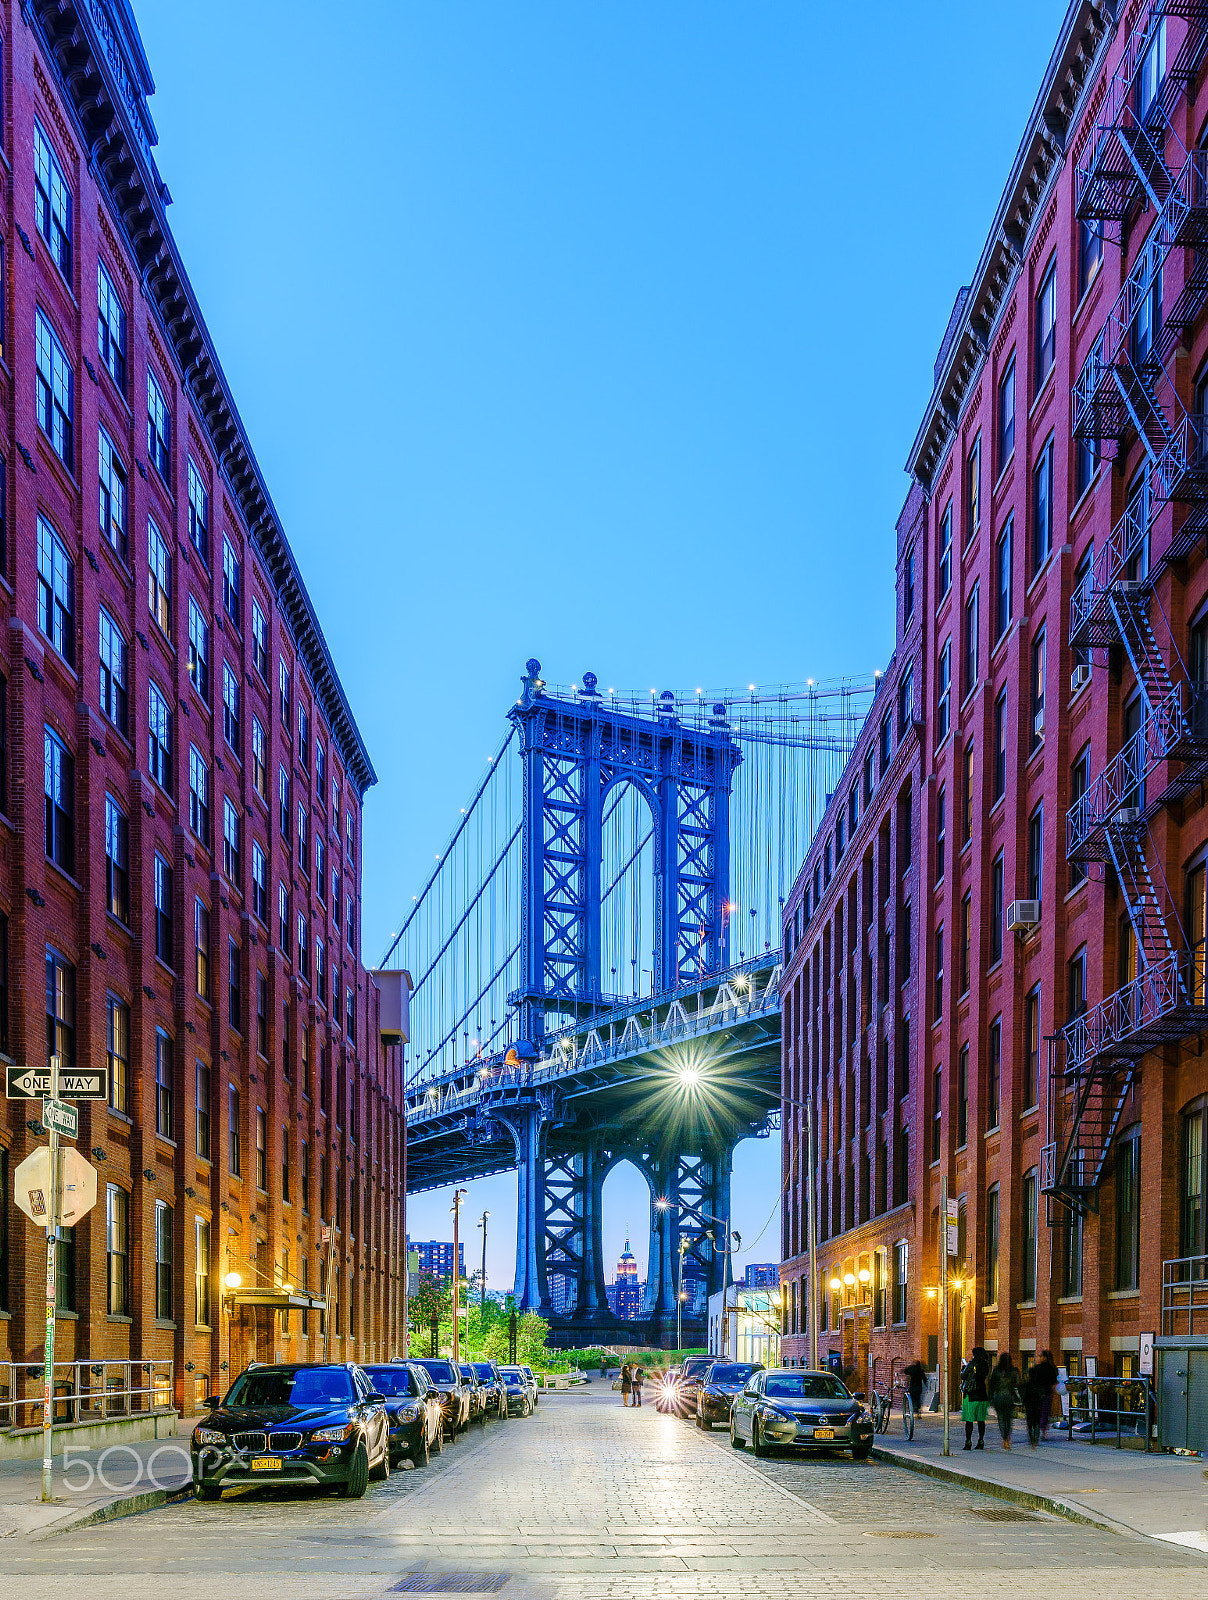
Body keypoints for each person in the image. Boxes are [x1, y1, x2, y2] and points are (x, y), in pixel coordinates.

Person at [1024, 1349, 1058, 1448]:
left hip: (1037, 1393)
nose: (1039, 1358)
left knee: (1036, 1414)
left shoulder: (1037, 1368)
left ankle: (1035, 1435)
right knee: (1045, 1412)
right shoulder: (1052, 1368)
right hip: (1047, 1392)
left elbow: (1032, 1379)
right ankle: (1042, 1432)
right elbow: (1054, 1380)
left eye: (1040, 1356)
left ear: (1045, 1357)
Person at [960, 1346, 990, 1450]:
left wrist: (963, 1367)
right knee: (981, 1420)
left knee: (969, 1420)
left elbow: (963, 1376)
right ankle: (981, 1440)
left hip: (971, 1395)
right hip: (982, 1395)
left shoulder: (971, 1364)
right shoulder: (985, 1365)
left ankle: (968, 1442)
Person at [988, 1351, 1019, 1450]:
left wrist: (991, 1398)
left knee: (1001, 1419)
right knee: (1009, 1419)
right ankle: (1007, 1438)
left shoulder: (996, 1370)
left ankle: (1004, 1438)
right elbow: (1017, 1385)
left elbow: (991, 1385)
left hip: (998, 1397)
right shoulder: (1014, 1371)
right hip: (1009, 1397)